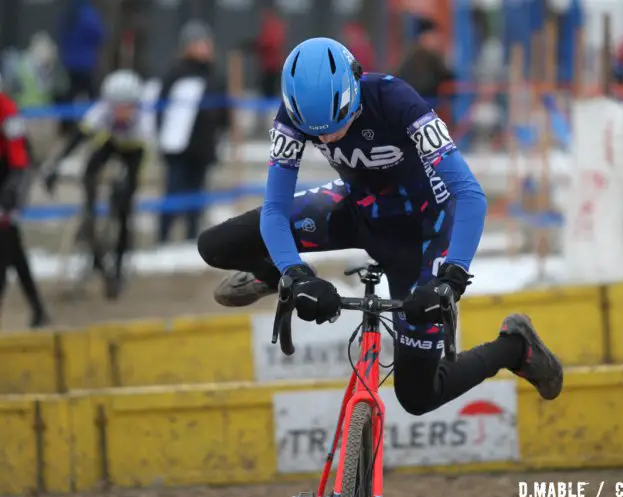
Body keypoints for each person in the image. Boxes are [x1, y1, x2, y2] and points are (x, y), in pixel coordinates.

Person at [197, 38, 563, 416]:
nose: (325, 139)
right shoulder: (295, 113)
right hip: (355, 210)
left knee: (418, 396)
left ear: (353, 87)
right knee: (217, 245)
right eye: (315, 133)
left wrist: (451, 279)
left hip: (423, 233)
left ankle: (516, 347)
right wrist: (297, 274)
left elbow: (470, 195)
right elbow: (274, 209)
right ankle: (273, 275)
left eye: (335, 125)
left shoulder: (396, 99)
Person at [44, 69, 146, 300]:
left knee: (123, 209)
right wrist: (55, 166)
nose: (120, 112)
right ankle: (93, 241)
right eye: (115, 106)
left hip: (134, 151)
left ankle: (118, 269)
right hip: (109, 144)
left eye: (125, 106)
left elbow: (142, 160)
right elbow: (77, 139)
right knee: (88, 176)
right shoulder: (101, 112)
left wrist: (128, 186)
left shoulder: (144, 120)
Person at [156, 20, 222, 243]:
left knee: (197, 195)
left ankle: (192, 238)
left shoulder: (212, 75)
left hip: (202, 147)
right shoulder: (176, 74)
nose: (206, 47)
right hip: (179, 148)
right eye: (201, 43)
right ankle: (163, 237)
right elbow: (162, 110)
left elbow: (220, 110)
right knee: (173, 193)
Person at [0, 72, 50, 328]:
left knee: (4, 241)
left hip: (12, 175)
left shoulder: (6, 108)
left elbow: (19, 157)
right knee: (12, 247)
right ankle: (39, 309)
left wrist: (10, 196)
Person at [56, 0, 106, 136]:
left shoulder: (70, 12)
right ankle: (96, 124)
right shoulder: (87, 12)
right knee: (93, 94)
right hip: (84, 62)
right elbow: (98, 34)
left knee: (70, 94)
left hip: (69, 61)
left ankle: (66, 125)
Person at [396, 17, 454, 105]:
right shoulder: (429, 55)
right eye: (434, 35)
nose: (437, 40)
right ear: (425, 36)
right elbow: (447, 75)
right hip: (426, 99)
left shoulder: (410, 54)